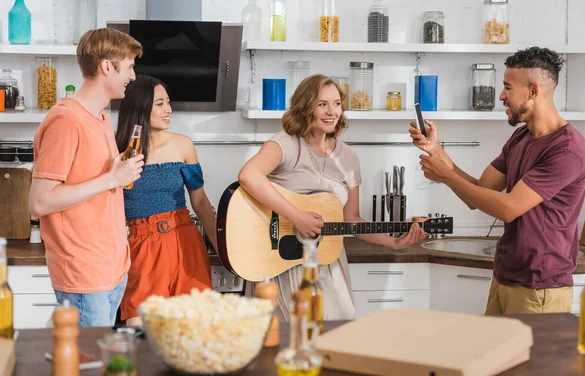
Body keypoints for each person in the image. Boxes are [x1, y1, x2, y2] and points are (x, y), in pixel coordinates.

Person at [410, 47, 585, 315]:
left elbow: (508, 207)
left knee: (529, 359)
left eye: (507, 87)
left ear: (533, 91)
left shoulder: (567, 150)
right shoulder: (521, 137)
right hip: (505, 275)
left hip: (539, 287)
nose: (501, 96)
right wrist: (437, 150)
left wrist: (445, 175)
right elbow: (481, 191)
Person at [239, 74, 427, 321]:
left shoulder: (348, 157)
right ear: (305, 108)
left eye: (337, 103)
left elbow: (352, 219)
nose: (332, 111)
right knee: (295, 338)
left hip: (328, 261)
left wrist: (394, 242)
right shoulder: (285, 144)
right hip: (281, 261)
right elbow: (248, 176)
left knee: (337, 331)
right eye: (322, 104)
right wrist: (297, 217)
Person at [29, 28, 144, 326]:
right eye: (130, 66)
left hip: (111, 269)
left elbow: (96, 179)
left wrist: (117, 170)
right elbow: (40, 202)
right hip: (83, 273)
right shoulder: (67, 120)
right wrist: (111, 179)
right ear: (107, 66)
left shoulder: (102, 118)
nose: (132, 76)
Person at [115, 75, 216, 326]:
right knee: (139, 328)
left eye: (168, 102)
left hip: (185, 242)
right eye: (160, 103)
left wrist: (222, 247)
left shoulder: (183, 145)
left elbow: (201, 202)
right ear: (140, 106)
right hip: (140, 247)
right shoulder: (115, 146)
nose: (168, 110)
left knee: (194, 329)